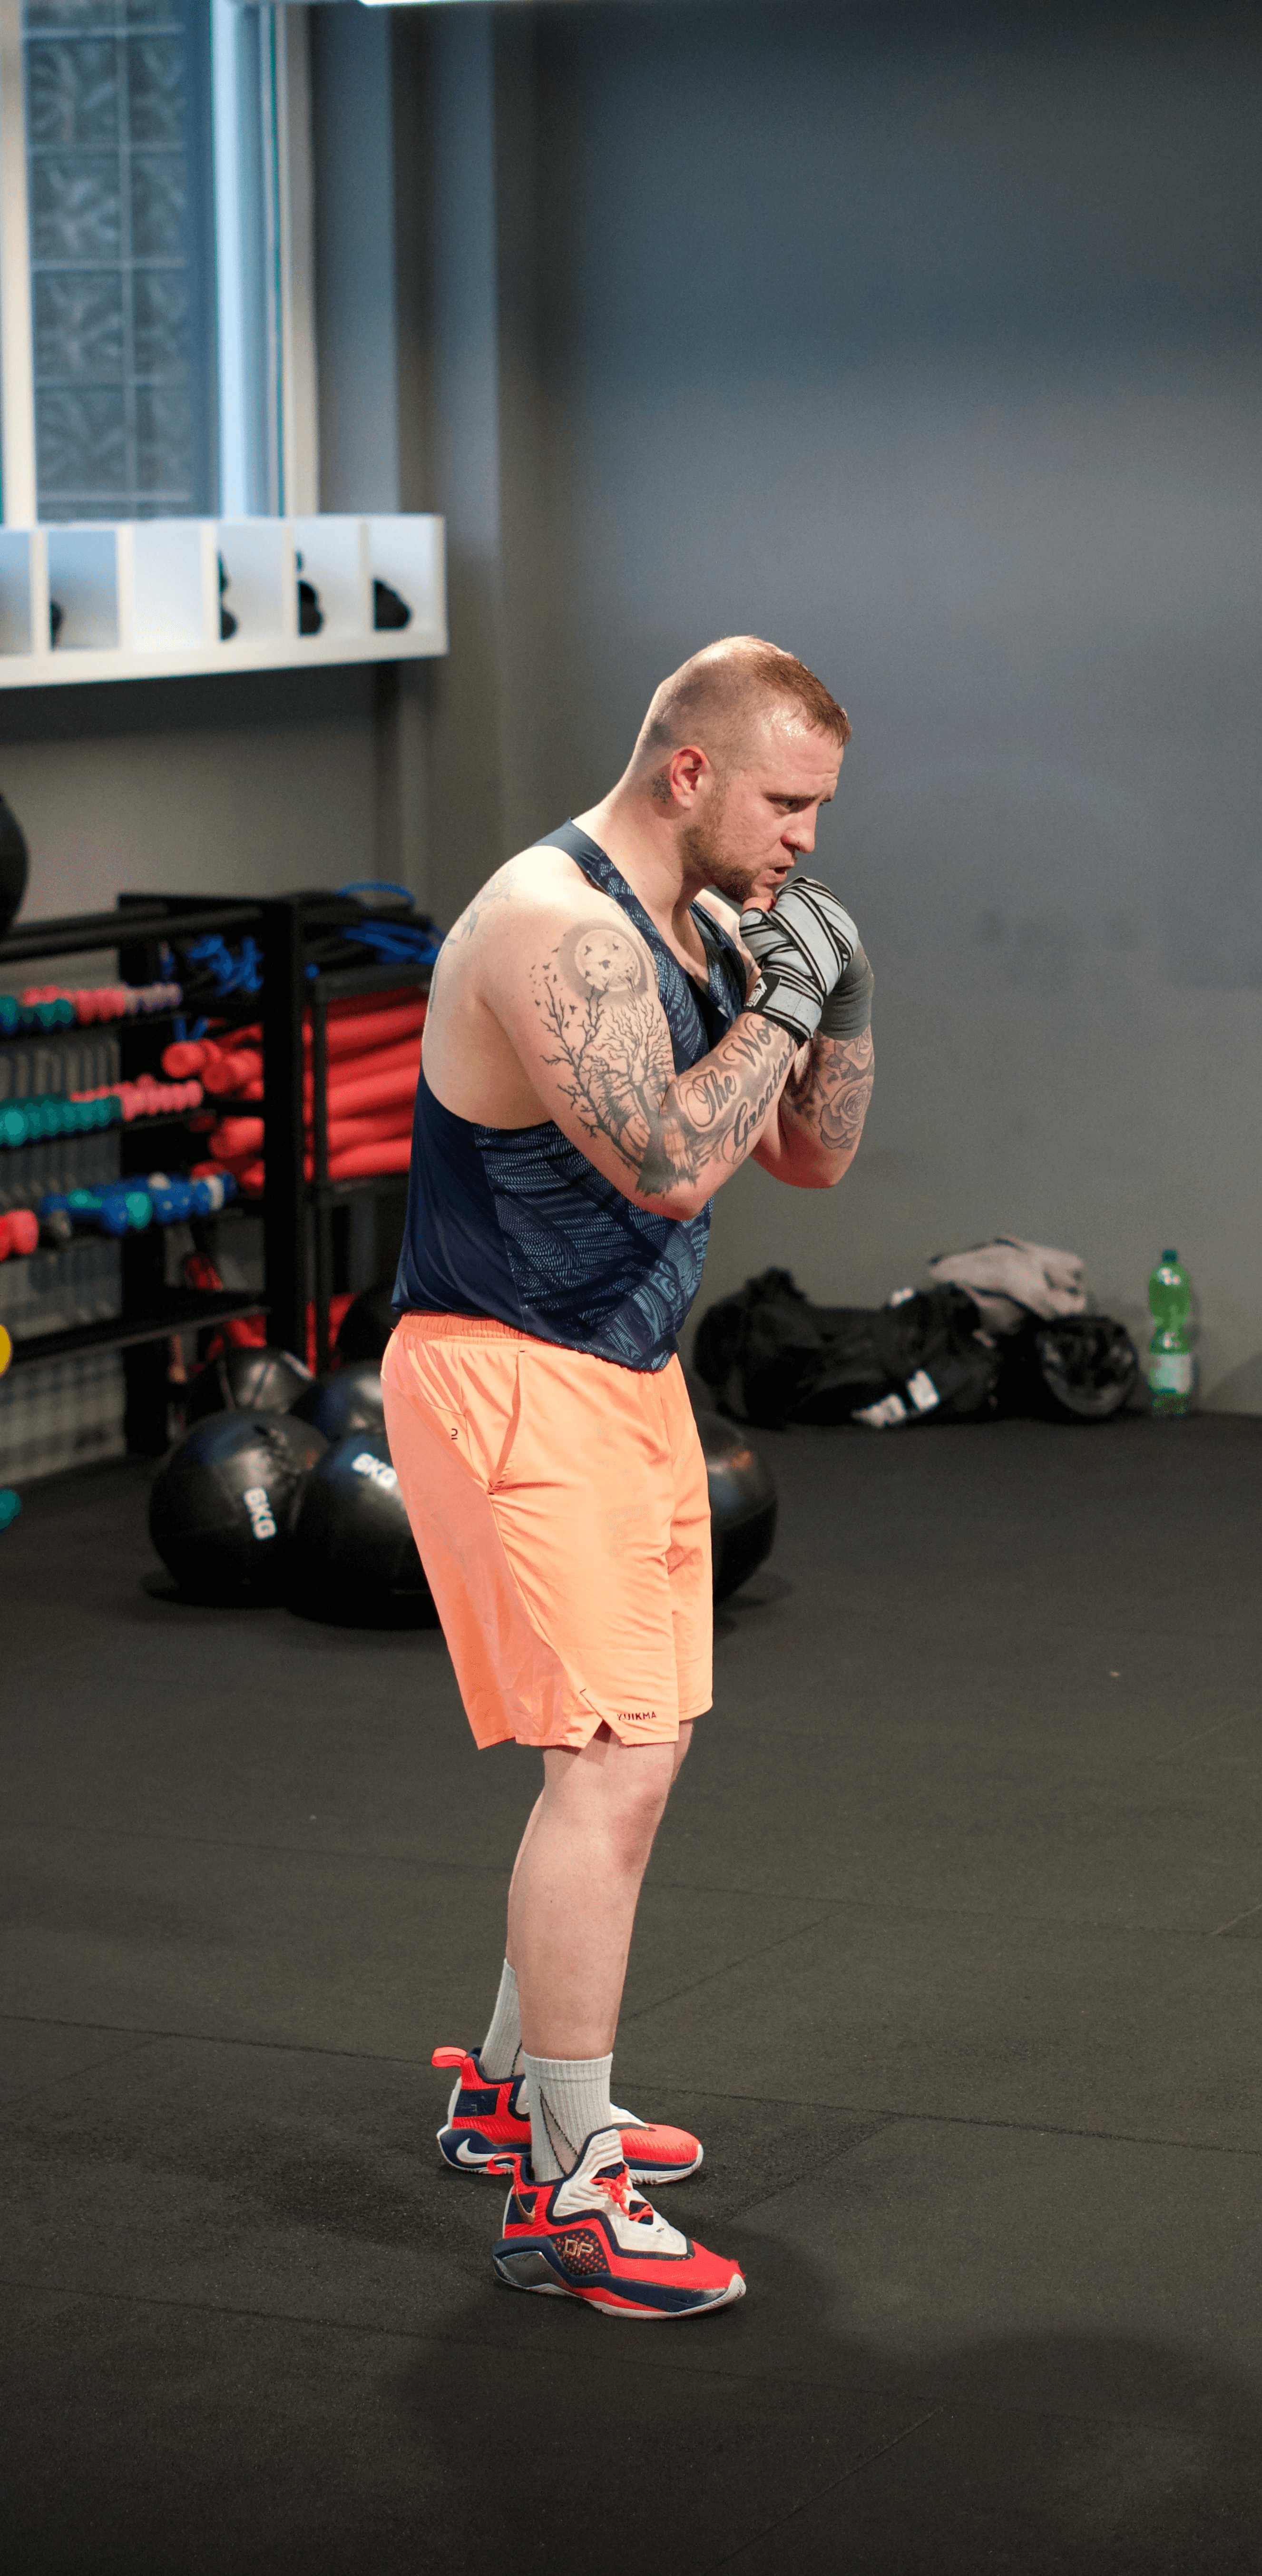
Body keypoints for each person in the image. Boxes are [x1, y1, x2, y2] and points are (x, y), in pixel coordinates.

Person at [381, 635, 875, 2319]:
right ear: (688, 774)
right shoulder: (553, 926)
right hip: (506, 1371)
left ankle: (512, 2095)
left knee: (636, 1758)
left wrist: (835, 994)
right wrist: (783, 1003)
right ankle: (565, 2187)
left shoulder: (700, 923)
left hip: (626, 1372)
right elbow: (669, 1162)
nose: (806, 838)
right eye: (787, 804)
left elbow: (808, 1153)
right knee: (609, 1766)